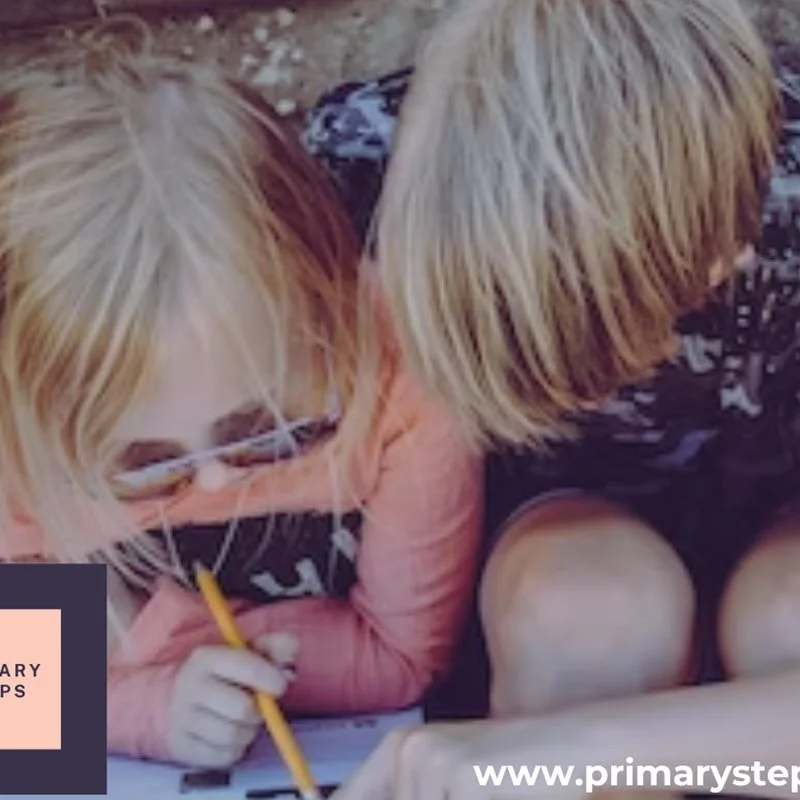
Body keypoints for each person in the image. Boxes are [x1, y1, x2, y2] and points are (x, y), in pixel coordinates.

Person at [303, 0, 800, 797]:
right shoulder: (354, 177)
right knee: (589, 611)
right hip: (539, 581)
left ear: (723, 254)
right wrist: (98, 717)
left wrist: (575, 749)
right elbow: (81, 509)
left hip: (772, 544)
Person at [0, 18, 483, 769]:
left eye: (271, 428)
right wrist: (151, 706)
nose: (218, 481)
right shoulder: (16, 443)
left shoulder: (407, 375)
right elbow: (22, 701)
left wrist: (149, 646)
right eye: (144, 463)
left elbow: (403, 660)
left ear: (331, 308)